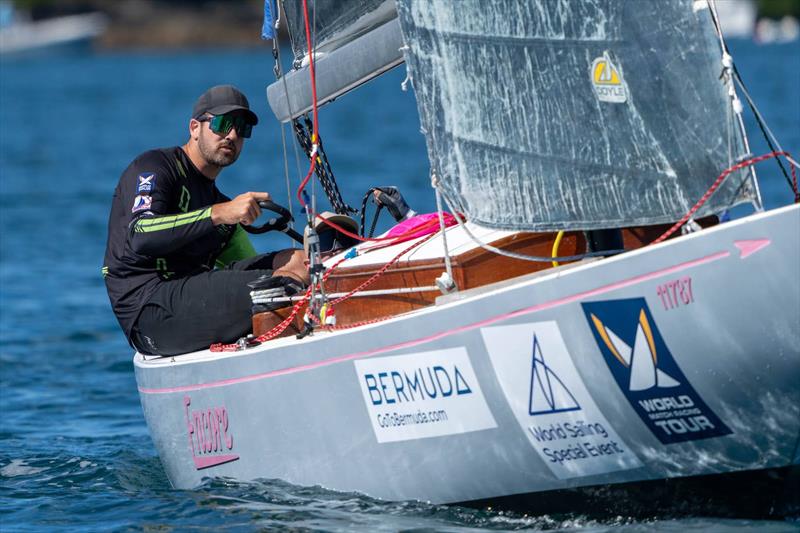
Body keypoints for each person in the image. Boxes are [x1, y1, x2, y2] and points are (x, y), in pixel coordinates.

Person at [103, 85, 308, 356]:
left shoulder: (220, 203)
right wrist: (218, 213)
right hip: (148, 311)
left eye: (242, 129)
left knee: (302, 263)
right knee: (280, 288)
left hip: (193, 296)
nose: (232, 135)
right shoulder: (154, 167)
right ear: (194, 128)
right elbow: (139, 235)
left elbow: (244, 267)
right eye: (222, 124)